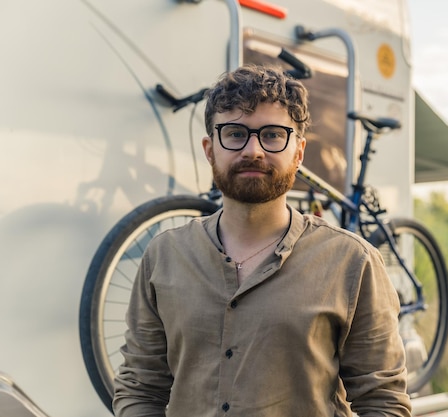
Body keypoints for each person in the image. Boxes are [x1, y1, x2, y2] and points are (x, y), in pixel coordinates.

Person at [113, 65, 412, 417]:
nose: (253, 150)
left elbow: (383, 403)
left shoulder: (353, 263)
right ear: (210, 149)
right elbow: (140, 388)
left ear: (299, 153)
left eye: (272, 135)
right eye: (235, 133)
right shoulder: (164, 256)